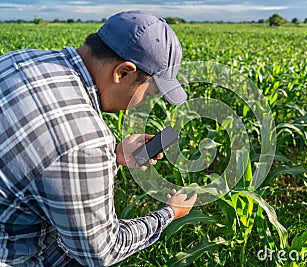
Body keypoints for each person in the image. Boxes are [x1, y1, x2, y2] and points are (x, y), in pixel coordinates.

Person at [0, 10, 197, 266]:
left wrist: (112, 156)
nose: (141, 104)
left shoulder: (19, 59)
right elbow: (102, 251)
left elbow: (43, 152)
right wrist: (170, 213)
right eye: (149, 94)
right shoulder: (85, 144)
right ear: (123, 73)